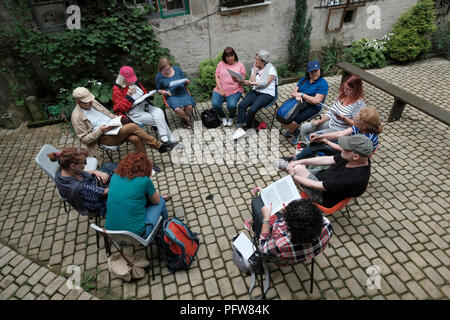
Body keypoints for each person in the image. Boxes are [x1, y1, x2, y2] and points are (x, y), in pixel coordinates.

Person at [71, 87, 174, 161]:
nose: (90, 103)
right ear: (78, 102)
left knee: (135, 138)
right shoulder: (76, 117)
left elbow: (105, 112)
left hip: (114, 127)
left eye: (90, 101)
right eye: (86, 102)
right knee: (132, 127)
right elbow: (84, 139)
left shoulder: (92, 102)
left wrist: (113, 117)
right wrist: (100, 130)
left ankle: (144, 166)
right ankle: (159, 146)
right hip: (103, 136)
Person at [285, 134, 373, 208]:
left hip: (323, 196)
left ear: (356, 156)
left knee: (297, 170)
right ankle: (293, 175)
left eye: (346, 148)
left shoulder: (350, 179)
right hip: (325, 177)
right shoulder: (359, 159)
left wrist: (293, 176)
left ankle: (291, 194)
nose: (341, 147)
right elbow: (328, 159)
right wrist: (300, 161)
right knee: (298, 166)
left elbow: (317, 185)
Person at [245, 195, 333, 266]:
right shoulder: (327, 225)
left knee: (256, 201)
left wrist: (266, 219)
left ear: (289, 226)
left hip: (283, 260)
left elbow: (262, 246)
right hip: (308, 253)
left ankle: (255, 228)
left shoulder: (279, 244)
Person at [278, 107, 382, 163]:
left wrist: (325, 141)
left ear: (364, 125)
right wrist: (322, 137)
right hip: (348, 146)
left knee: (318, 146)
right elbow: (341, 133)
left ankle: (297, 160)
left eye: (357, 118)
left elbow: (344, 150)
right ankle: (298, 159)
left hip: (352, 157)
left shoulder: (366, 139)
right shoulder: (360, 127)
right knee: (316, 142)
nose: (353, 118)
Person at [112, 65, 178, 149]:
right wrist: (128, 96)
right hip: (134, 112)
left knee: (159, 112)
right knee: (158, 119)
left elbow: (144, 92)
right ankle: (168, 140)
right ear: (123, 79)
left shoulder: (135, 82)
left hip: (145, 105)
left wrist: (150, 94)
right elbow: (119, 109)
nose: (132, 82)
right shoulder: (117, 90)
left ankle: (165, 141)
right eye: (129, 80)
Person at [105, 153, 170, 238]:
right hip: (137, 235)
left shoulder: (115, 176)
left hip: (113, 232)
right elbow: (156, 201)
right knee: (161, 200)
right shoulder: (144, 180)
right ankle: (166, 230)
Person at [299, 74, 366, 145]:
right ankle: (303, 148)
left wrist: (344, 119)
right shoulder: (342, 95)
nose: (345, 91)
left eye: (348, 90)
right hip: (330, 123)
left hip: (340, 129)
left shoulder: (359, 104)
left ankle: (306, 152)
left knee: (313, 138)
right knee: (304, 128)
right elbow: (331, 112)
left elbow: (357, 125)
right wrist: (320, 122)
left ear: (356, 90)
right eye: (344, 88)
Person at [48, 147, 110, 217]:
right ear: (73, 166)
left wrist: (95, 172)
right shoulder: (80, 187)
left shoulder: (62, 171)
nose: (86, 164)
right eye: (84, 162)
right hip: (96, 204)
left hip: (90, 188)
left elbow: (82, 172)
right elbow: (105, 192)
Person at [280, 60, 329, 145]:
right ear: (308, 73)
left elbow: (317, 101)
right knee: (281, 116)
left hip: (312, 107)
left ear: (320, 70)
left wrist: (302, 95)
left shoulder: (323, 83)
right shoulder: (304, 79)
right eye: (311, 72)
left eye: (316, 71)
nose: (314, 74)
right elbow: (293, 93)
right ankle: (293, 129)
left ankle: (295, 132)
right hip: (299, 104)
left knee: (292, 121)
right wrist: (297, 96)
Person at [233, 50, 278, 138]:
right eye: (255, 58)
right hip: (255, 91)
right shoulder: (256, 68)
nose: (255, 60)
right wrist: (241, 80)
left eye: (257, 59)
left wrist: (249, 83)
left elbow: (264, 84)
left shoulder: (271, 69)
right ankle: (240, 127)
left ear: (263, 61)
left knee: (252, 110)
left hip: (267, 93)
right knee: (242, 105)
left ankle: (248, 127)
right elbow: (251, 82)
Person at [156, 58, 196, 129]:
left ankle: (184, 118)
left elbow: (184, 80)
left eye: (169, 68)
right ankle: (187, 119)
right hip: (171, 94)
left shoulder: (176, 69)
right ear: (161, 68)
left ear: (170, 65)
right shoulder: (159, 76)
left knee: (189, 107)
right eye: (165, 69)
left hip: (182, 91)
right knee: (177, 109)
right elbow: (158, 89)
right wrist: (163, 92)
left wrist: (187, 82)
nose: (167, 71)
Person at [212, 47, 246, 127]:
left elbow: (242, 80)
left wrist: (237, 79)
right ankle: (223, 117)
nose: (230, 58)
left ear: (234, 55)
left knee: (231, 106)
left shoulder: (240, 65)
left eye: (231, 55)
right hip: (220, 89)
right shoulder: (221, 64)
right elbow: (217, 76)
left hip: (234, 90)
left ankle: (231, 117)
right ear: (225, 57)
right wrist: (220, 89)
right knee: (215, 104)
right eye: (227, 56)